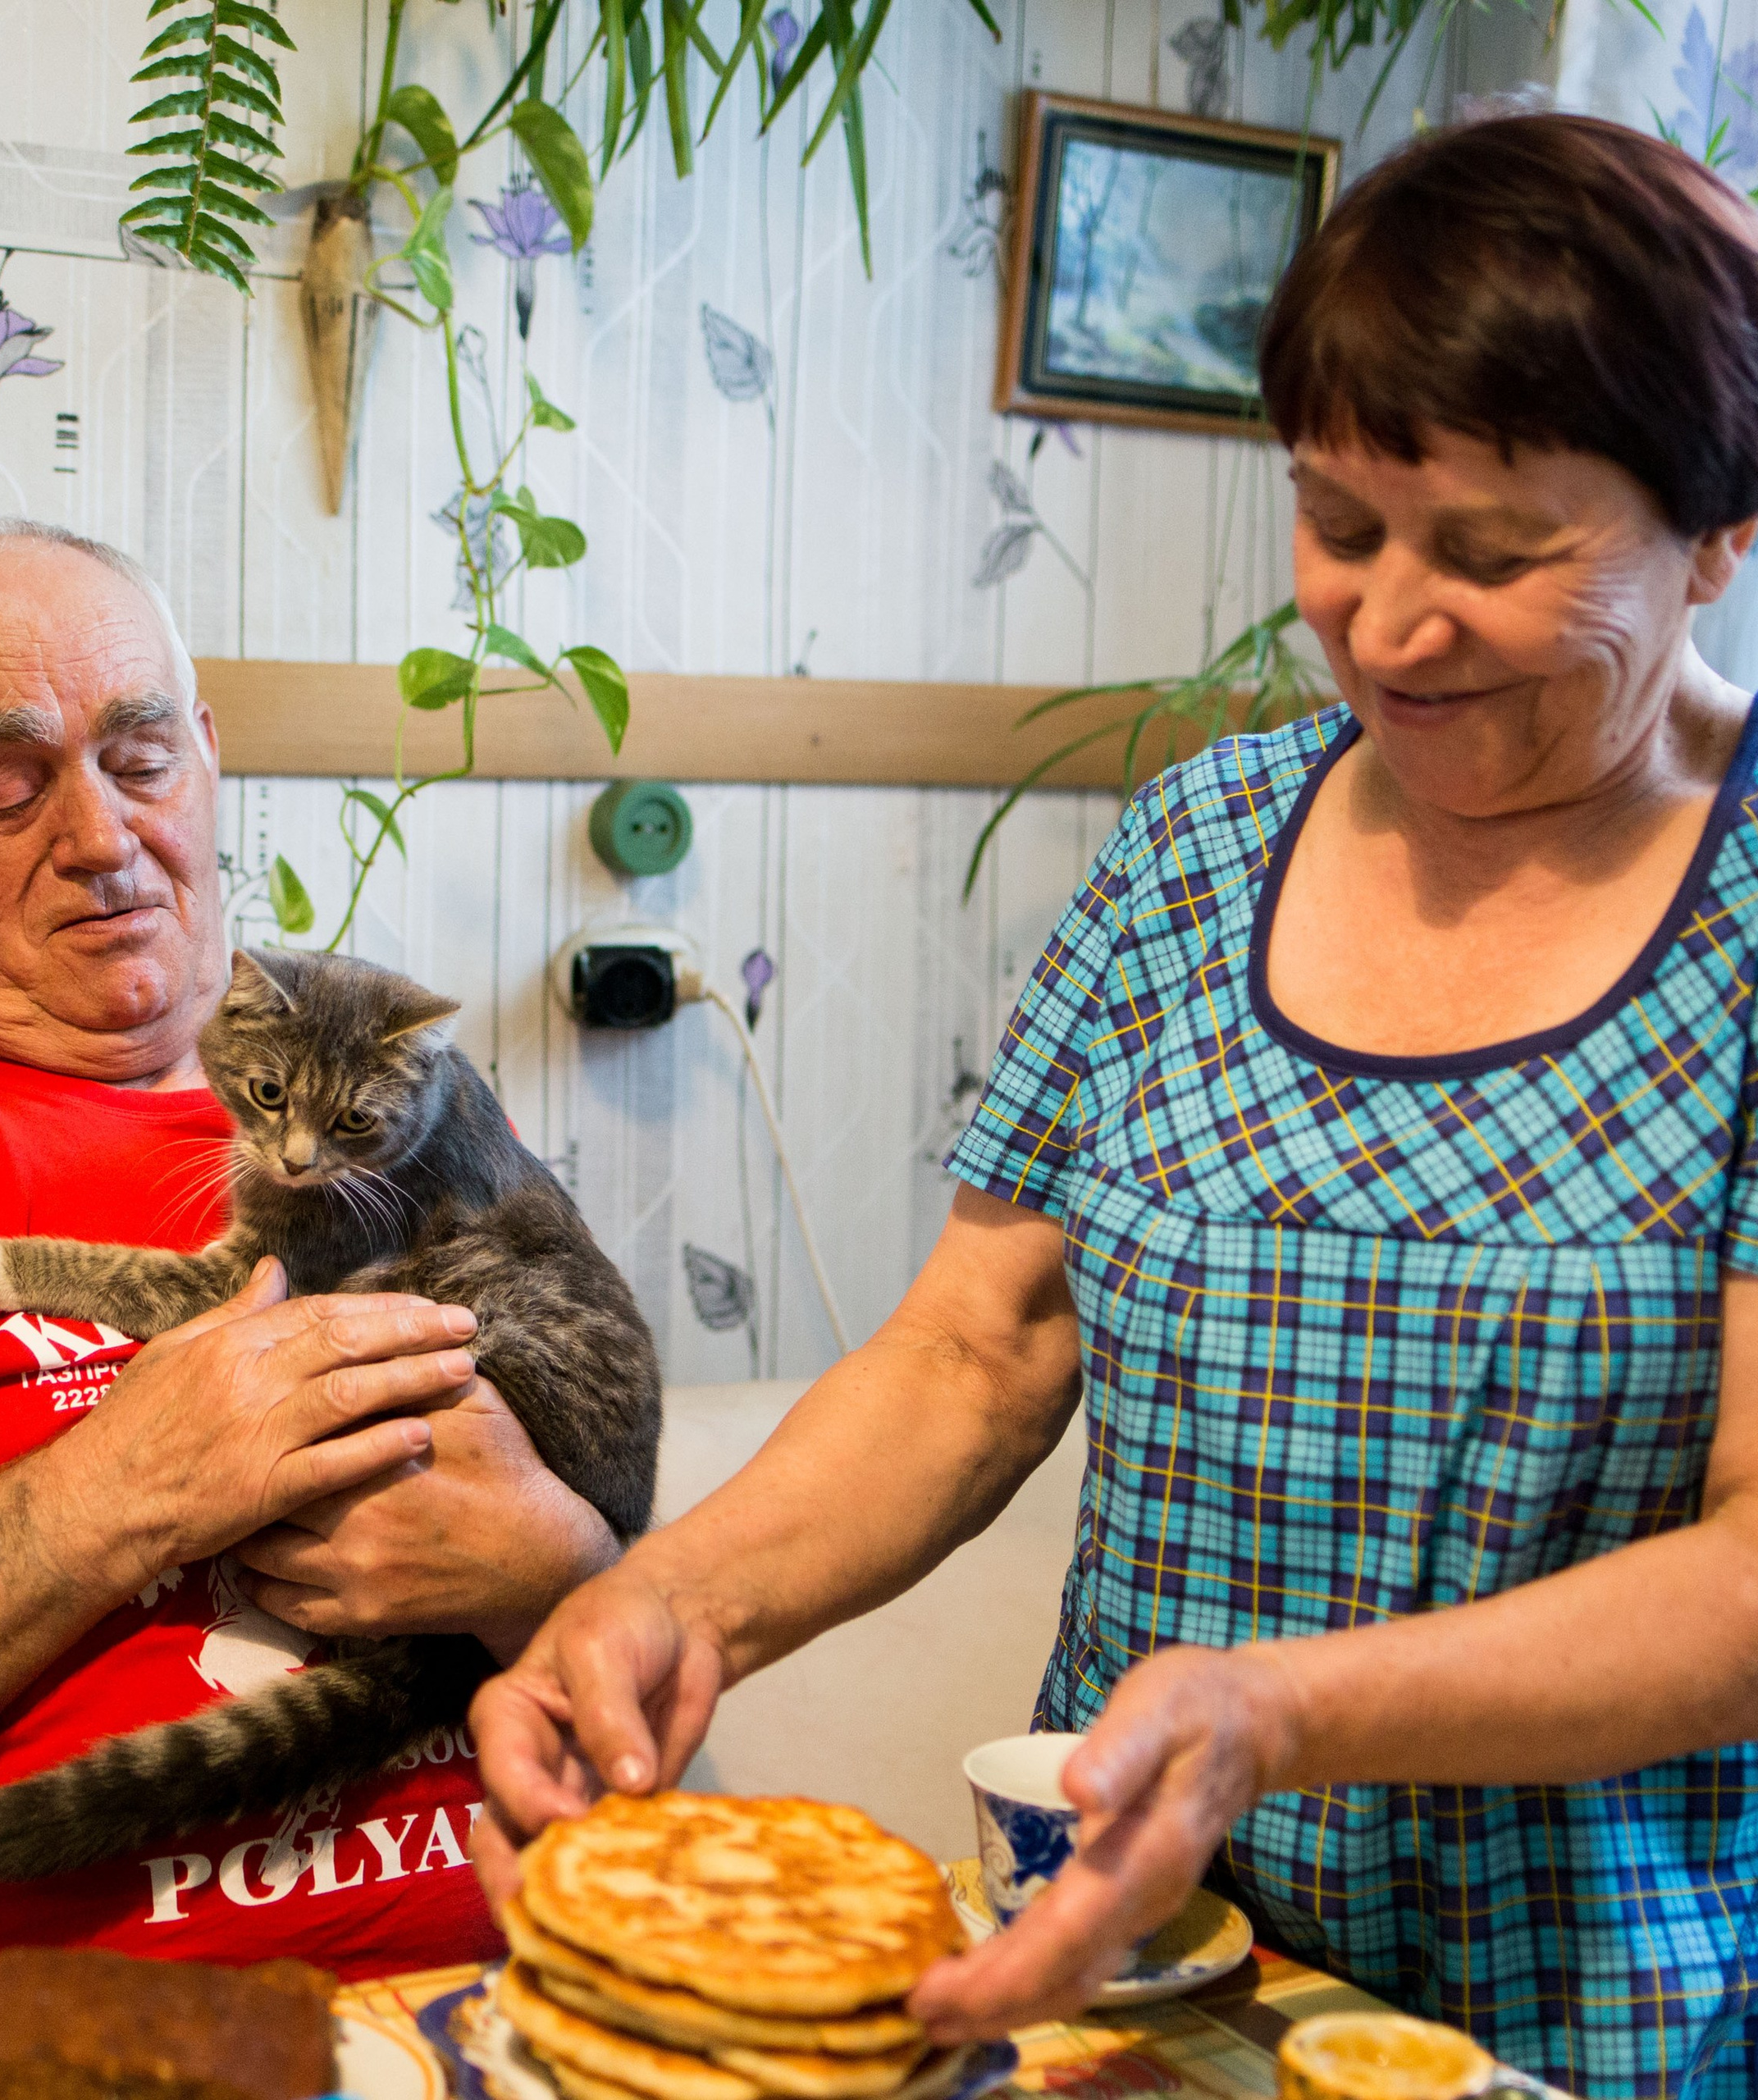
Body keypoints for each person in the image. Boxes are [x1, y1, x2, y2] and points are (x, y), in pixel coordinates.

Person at [471, 115, 1758, 2100]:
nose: (1385, 623)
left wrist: (1279, 1710)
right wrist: (661, 1593)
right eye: (1339, 523)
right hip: (1119, 1993)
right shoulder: (1193, 849)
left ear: (1723, 526)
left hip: (1584, 2030)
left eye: (1496, 555)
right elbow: (976, 1350)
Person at [0, 522, 620, 2083]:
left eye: (143, 755)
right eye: (5, 785)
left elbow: (633, 1634)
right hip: (1, 2054)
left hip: (512, 2020)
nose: (103, 836)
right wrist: (111, 1495)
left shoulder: (411, 1118)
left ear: (211, 763)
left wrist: (557, 1570)